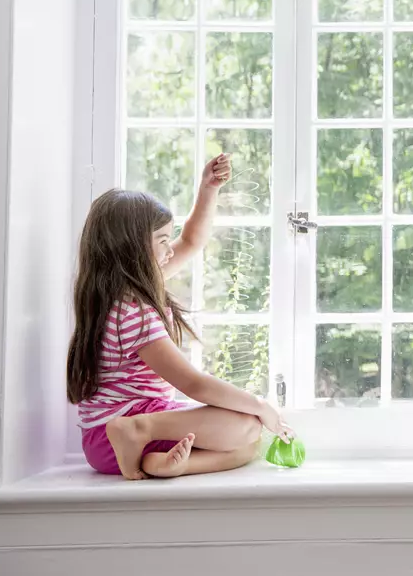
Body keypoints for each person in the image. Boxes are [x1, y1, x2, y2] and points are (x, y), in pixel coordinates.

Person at [65, 154, 293, 479]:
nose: (170, 249)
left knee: (248, 446)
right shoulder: (133, 311)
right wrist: (260, 404)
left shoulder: (116, 294)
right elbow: (192, 383)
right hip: (117, 431)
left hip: (103, 442)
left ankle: (155, 463)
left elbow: (190, 241)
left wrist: (208, 189)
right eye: (161, 241)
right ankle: (141, 431)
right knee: (246, 425)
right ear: (132, 249)